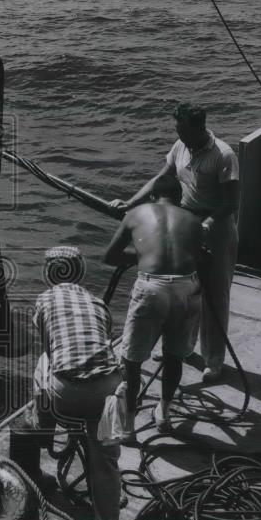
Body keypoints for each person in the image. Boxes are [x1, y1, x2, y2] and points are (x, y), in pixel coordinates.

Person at [110, 103, 239, 383]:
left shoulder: (225, 155)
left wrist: (208, 224)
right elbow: (161, 176)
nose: (177, 133)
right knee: (186, 292)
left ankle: (214, 360)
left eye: (181, 128)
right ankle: (184, 348)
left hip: (216, 229)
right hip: (186, 226)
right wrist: (132, 202)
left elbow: (230, 202)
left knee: (215, 296)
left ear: (198, 127)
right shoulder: (180, 146)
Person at [18, 246, 126, 520]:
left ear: (49, 274)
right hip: (111, 391)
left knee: (43, 362)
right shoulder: (97, 302)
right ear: (80, 272)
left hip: (69, 396)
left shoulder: (44, 300)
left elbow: (52, 350)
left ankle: (44, 431)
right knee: (105, 462)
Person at [103, 174, 203, 436]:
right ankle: (164, 411)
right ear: (180, 198)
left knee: (132, 360)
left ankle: (128, 425)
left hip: (151, 287)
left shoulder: (137, 213)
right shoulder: (194, 220)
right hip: (187, 287)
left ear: (151, 197)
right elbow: (199, 259)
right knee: (174, 356)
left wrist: (143, 255)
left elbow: (110, 256)